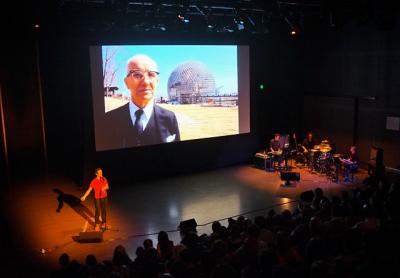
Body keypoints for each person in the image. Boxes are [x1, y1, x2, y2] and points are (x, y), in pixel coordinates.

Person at [103, 54, 180, 148]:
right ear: (126, 82)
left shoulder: (169, 118)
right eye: (137, 75)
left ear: (157, 81)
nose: (146, 82)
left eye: (151, 74)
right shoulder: (108, 121)